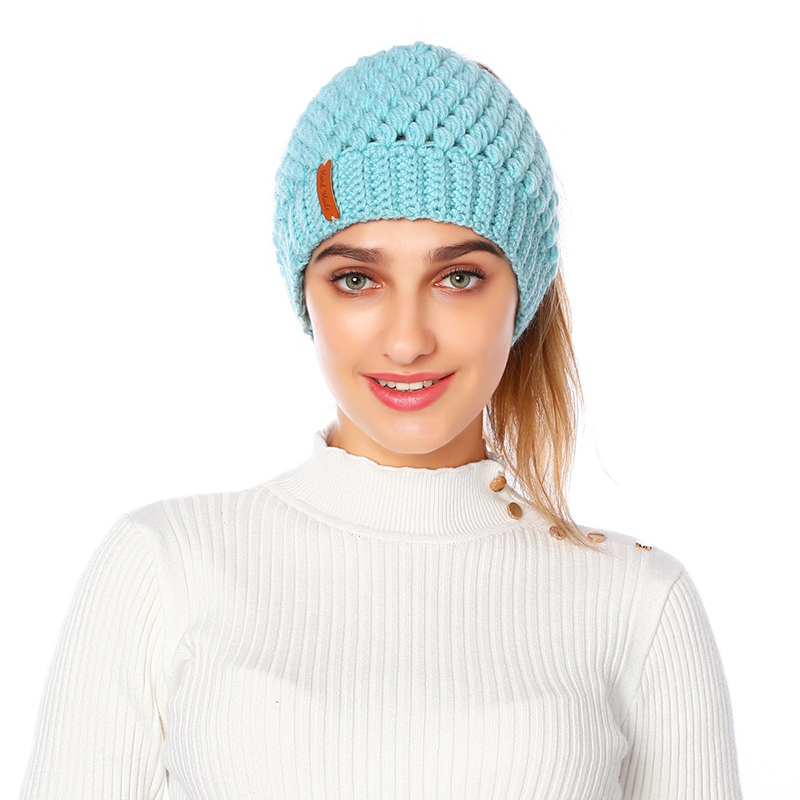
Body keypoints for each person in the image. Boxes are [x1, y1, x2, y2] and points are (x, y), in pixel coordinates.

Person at [18, 42, 744, 799]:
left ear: (521, 295)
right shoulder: (165, 566)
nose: (405, 340)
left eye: (458, 277)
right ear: (307, 293)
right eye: (357, 279)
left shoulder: (640, 604)